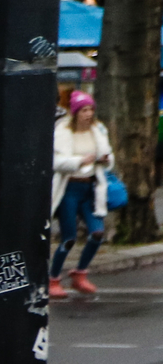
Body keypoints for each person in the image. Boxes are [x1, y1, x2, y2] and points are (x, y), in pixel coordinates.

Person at [50, 90, 113, 299]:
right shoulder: (63, 131)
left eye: (91, 109)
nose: (88, 114)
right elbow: (56, 162)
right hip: (69, 189)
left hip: (91, 189)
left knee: (97, 233)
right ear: (75, 112)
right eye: (84, 110)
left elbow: (109, 155)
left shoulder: (97, 130)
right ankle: (53, 278)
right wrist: (79, 161)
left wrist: (105, 159)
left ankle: (80, 274)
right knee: (69, 237)